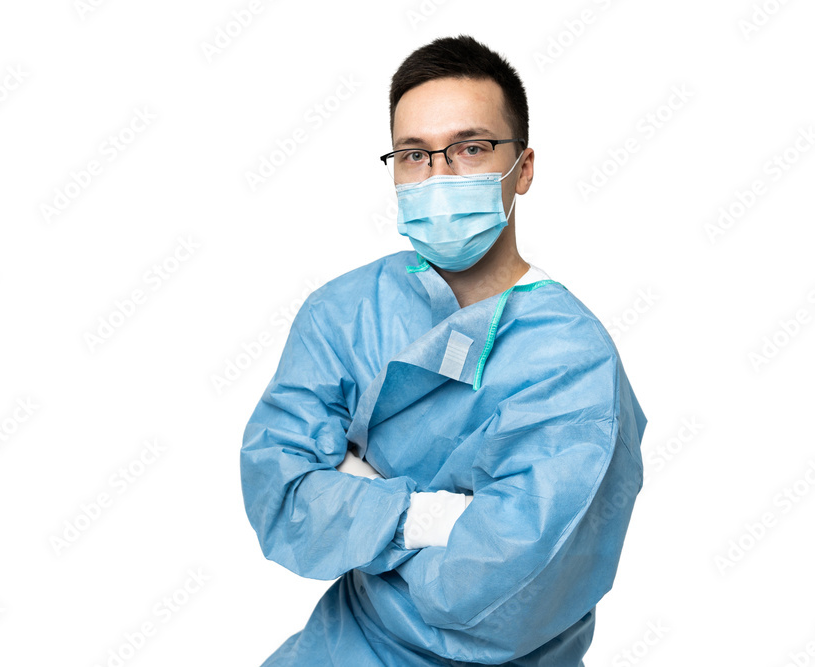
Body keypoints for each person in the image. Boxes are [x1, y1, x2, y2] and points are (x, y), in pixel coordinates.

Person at [240, 35, 647, 666]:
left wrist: (358, 496)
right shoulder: (346, 311)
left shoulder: (572, 361)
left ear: (525, 167)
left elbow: (497, 600)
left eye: (470, 148)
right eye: (414, 155)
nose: (438, 175)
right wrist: (433, 516)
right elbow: (279, 492)